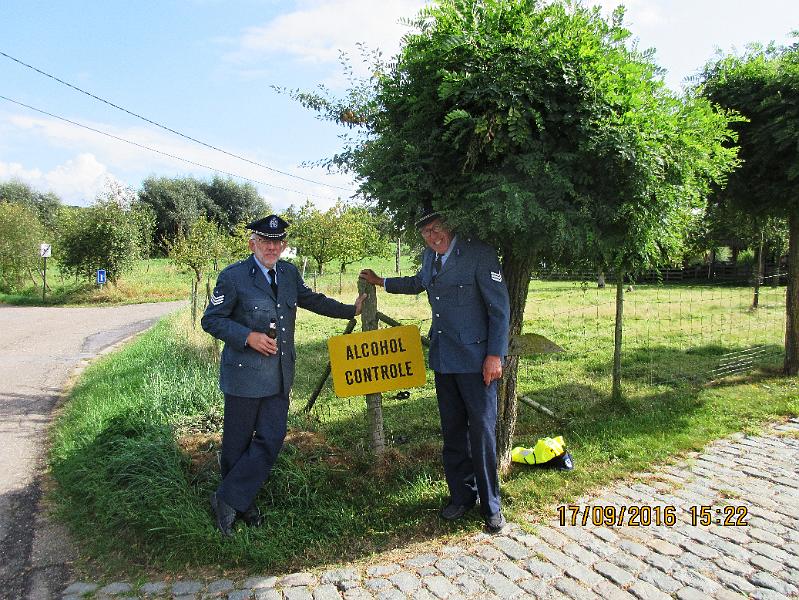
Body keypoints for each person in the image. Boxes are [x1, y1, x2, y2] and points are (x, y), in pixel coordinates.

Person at [202, 214, 366, 536]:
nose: (271, 247)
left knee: (272, 438)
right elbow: (212, 320)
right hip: (244, 376)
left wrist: (351, 310)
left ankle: (227, 498)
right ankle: (239, 507)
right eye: (265, 241)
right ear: (253, 243)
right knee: (237, 444)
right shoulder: (234, 277)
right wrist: (247, 336)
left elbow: (313, 300)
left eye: (277, 242)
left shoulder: (289, 274)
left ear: (284, 245)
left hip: (279, 375)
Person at [359, 205, 510, 533]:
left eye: (438, 228)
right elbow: (419, 283)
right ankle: (461, 497)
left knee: (481, 433)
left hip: (477, 361)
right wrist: (382, 281)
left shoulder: (479, 255)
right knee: (453, 432)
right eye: (426, 233)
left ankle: (491, 505)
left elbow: (500, 310)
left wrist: (495, 356)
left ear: (450, 226)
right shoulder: (431, 258)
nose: (433, 236)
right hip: (444, 359)